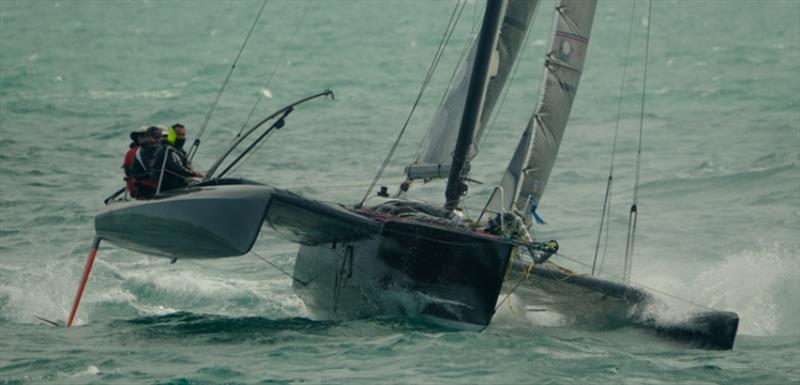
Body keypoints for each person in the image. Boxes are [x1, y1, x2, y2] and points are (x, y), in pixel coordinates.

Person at [151, 123, 203, 192]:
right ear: (172, 135)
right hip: (169, 188)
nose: (181, 137)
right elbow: (176, 167)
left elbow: (185, 166)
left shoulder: (180, 150)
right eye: (178, 135)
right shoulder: (166, 149)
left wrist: (189, 167)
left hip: (181, 184)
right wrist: (193, 173)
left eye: (183, 135)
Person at [122, 127, 161, 199]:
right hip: (143, 188)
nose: (144, 138)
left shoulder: (158, 149)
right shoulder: (132, 153)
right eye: (141, 136)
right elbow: (129, 173)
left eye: (145, 136)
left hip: (157, 185)